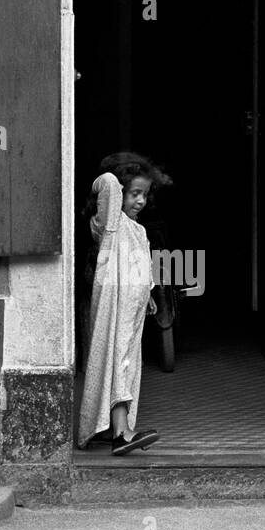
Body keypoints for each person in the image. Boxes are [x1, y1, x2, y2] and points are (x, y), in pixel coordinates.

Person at [78, 154, 171, 454]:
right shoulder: (111, 224)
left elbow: (142, 269)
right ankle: (122, 432)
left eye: (144, 194)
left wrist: (149, 299)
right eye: (134, 193)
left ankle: (111, 428)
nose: (141, 201)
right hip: (113, 309)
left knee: (128, 367)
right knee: (118, 363)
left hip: (133, 313)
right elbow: (105, 184)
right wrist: (118, 175)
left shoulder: (138, 230)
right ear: (119, 193)